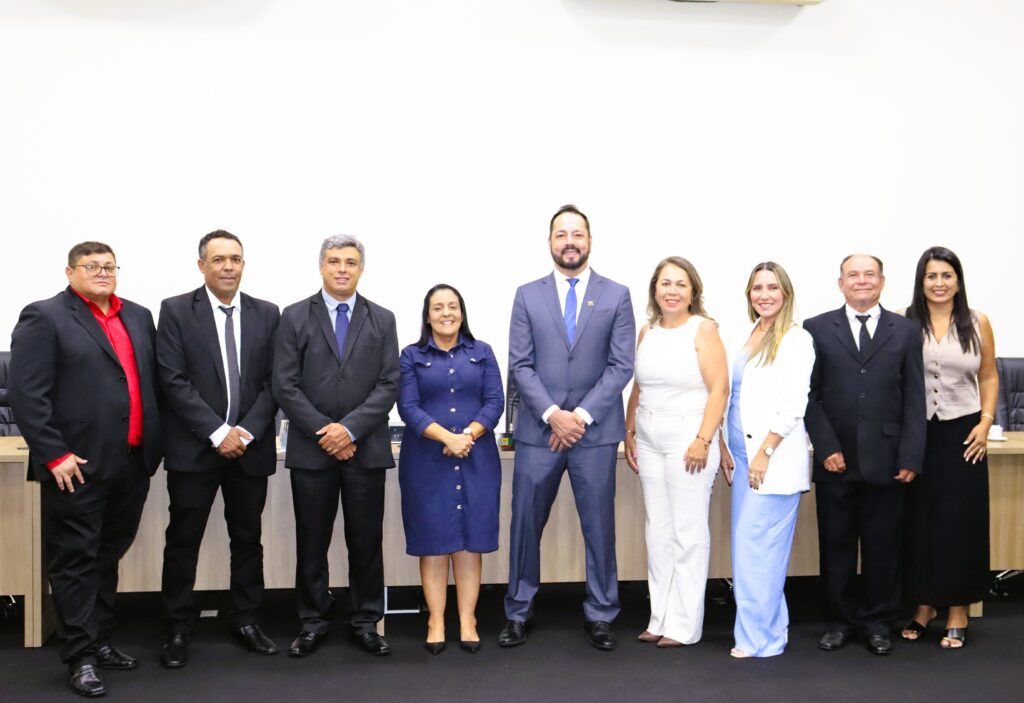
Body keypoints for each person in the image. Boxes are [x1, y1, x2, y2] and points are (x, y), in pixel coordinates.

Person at [9, 242, 163, 697]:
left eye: (109, 266)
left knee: (107, 554)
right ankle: (81, 656)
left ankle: (99, 639)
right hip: (75, 464)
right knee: (75, 559)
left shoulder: (138, 316)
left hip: (131, 461)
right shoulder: (45, 317)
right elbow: (27, 394)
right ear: (69, 272)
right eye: (91, 266)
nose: (102, 272)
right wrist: (54, 453)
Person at [499, 204, 635, 651]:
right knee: (525, 525)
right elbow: (520, 364)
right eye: (562, 234)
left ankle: (601, 613)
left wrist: (579, 417)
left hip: (594, 435)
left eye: (578, 234)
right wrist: (553, 414)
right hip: (539, 433)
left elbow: (621, 365)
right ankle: (518, 611)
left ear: (590, 241)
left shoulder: (617, 295)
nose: (570, 241)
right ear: (550, 242)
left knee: (599, 527)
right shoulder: (527, 295)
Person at [155, 230, 281, 668]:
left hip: (249, 449)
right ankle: (176, 626)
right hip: (194, 449)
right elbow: (172, 380)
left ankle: (246, 619)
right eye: (219, 259)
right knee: (182, 540)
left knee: (247, 539)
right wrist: (216, 432)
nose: (228, 267)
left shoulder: (268, 313)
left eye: (235, 259)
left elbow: (274, 382)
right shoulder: (175, 310)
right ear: (202, 266)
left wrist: (244, 432)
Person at [272, 234, 400, 658]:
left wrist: (349, 431)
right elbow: (284, 384)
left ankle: (366, 621)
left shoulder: (382, 319)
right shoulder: (294, 316)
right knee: (312, 541)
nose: (342, 268)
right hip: (312, 451)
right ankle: (312, 621)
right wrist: (325, 432)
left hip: (366, 449)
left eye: (350, 262)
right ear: (321, 266)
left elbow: (389, 384)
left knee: (366, 541)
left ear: (361, 268)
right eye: (334, 261)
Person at [804, 253, 926, 656]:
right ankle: (838, 622)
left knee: (882, 547)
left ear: (882, 282)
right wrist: (825, 447)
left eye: (869, 274)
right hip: (835, 459)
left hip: (888, 460)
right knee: (835, 547)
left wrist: (910, 456)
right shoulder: (816, 328)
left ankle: (878, 623)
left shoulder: (906, 330)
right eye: (853, 275)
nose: (861, 281)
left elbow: (914, 398)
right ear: (840, 283)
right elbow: (809, 395)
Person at [624, 257, 728, 648]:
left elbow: (719, 389)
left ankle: (684, 626)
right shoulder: (647, 331)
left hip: (689, 440)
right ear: (655, 289)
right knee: (658, 531)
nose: (672, 291)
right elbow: (639, 386)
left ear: (693, 291)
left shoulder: (704, 329)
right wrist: (629, 430)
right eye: (665, 283)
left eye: (680, 284)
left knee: (688, 533)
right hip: (649, 439)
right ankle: (660, 617)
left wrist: (704, 439)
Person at [397, 284, 504, 654]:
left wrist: (467, 436)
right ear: (427, 316)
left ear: (462, 312)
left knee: (469, 541)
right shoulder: (411, 356)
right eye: (438, 307)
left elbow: (495, 401)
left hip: (476, 457)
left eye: (453, 306)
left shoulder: (482, 352)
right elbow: (408, 407)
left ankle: (468, 620)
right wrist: (448, 437)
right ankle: (436, 620)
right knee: (434, 541)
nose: (446, 313)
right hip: (426, 460)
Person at [900, 246, 997, 649]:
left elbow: (988, 376)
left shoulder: (977, 321)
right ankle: (924, 606)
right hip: (917, 433)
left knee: (960, 521)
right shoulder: (905, 321)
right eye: (931, 276)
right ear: (921, 281)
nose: (939, 283)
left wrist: (985, 423)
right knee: (917, 520)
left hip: (963, 433)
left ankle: (958, 609)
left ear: (958, 281)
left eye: (946, 275)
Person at [717, 262, 815, 658]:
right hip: (742, 458)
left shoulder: (796, 339)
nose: (764, 295)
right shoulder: (746, 334)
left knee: (756, 551)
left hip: (771, 462)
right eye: (757, 288)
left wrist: (765, 452)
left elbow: (794, 404)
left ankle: (760, 641)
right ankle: (770, 631)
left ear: (786, 293)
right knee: (753, 553)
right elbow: (730, 395)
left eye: (773, 287)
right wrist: (724, 444)